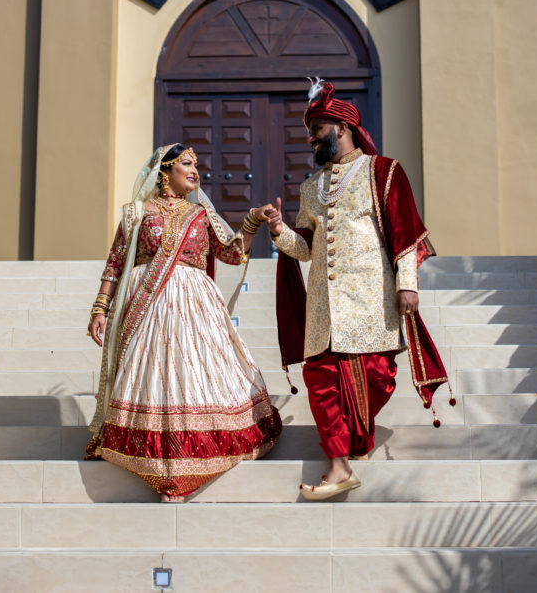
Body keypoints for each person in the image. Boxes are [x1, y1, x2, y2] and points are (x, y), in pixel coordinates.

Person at [261, 78, 453, 500]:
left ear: (342, 128)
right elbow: (307, 248)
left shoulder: (383, 171)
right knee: (320, 378)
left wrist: (408, 285)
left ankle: (354, 441)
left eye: (317, 129)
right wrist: (278, 230)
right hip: (323, 307)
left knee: (379, 376)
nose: (311, 138)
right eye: (310, 131)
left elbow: (404, 234)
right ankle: (338, 464)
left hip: (372, 298)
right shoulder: (310, 188)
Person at [86, 143, 282, 502]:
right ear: (164, 172)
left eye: (196, 165)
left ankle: (191, 459)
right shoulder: (136, 214)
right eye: (186, 164)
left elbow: (233, 253)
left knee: (192, 374)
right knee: (154, 377)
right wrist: (100, 307)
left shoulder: (201, 216)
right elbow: (115, 262)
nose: (196, 171)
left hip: (195, 307)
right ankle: (155, 460)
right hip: (147, 307)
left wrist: (252, 220)